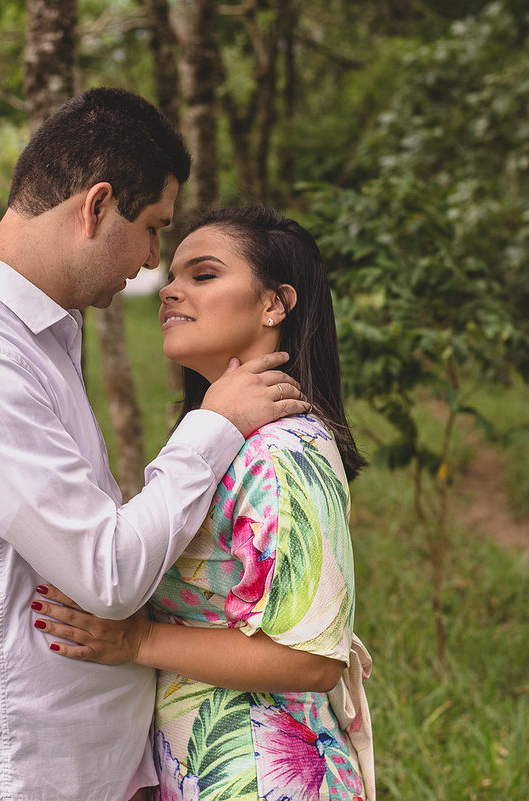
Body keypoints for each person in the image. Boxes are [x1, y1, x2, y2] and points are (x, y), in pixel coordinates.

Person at [0, 90, 309, 801]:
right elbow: (105, 573)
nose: (149, 261)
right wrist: (215, 423)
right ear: (96, 206)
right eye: (150, 229)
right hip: (18, 773)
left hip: (82, 767)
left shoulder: (35, 332)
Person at [30, 206, 375, 800]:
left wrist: (139, 643)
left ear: (275, 304)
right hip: (210, 767)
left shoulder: (285, 448)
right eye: (172, 275)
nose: (168, 289)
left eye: (203, 274)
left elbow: (314, 657)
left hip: (265, 777)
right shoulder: (225, 440)